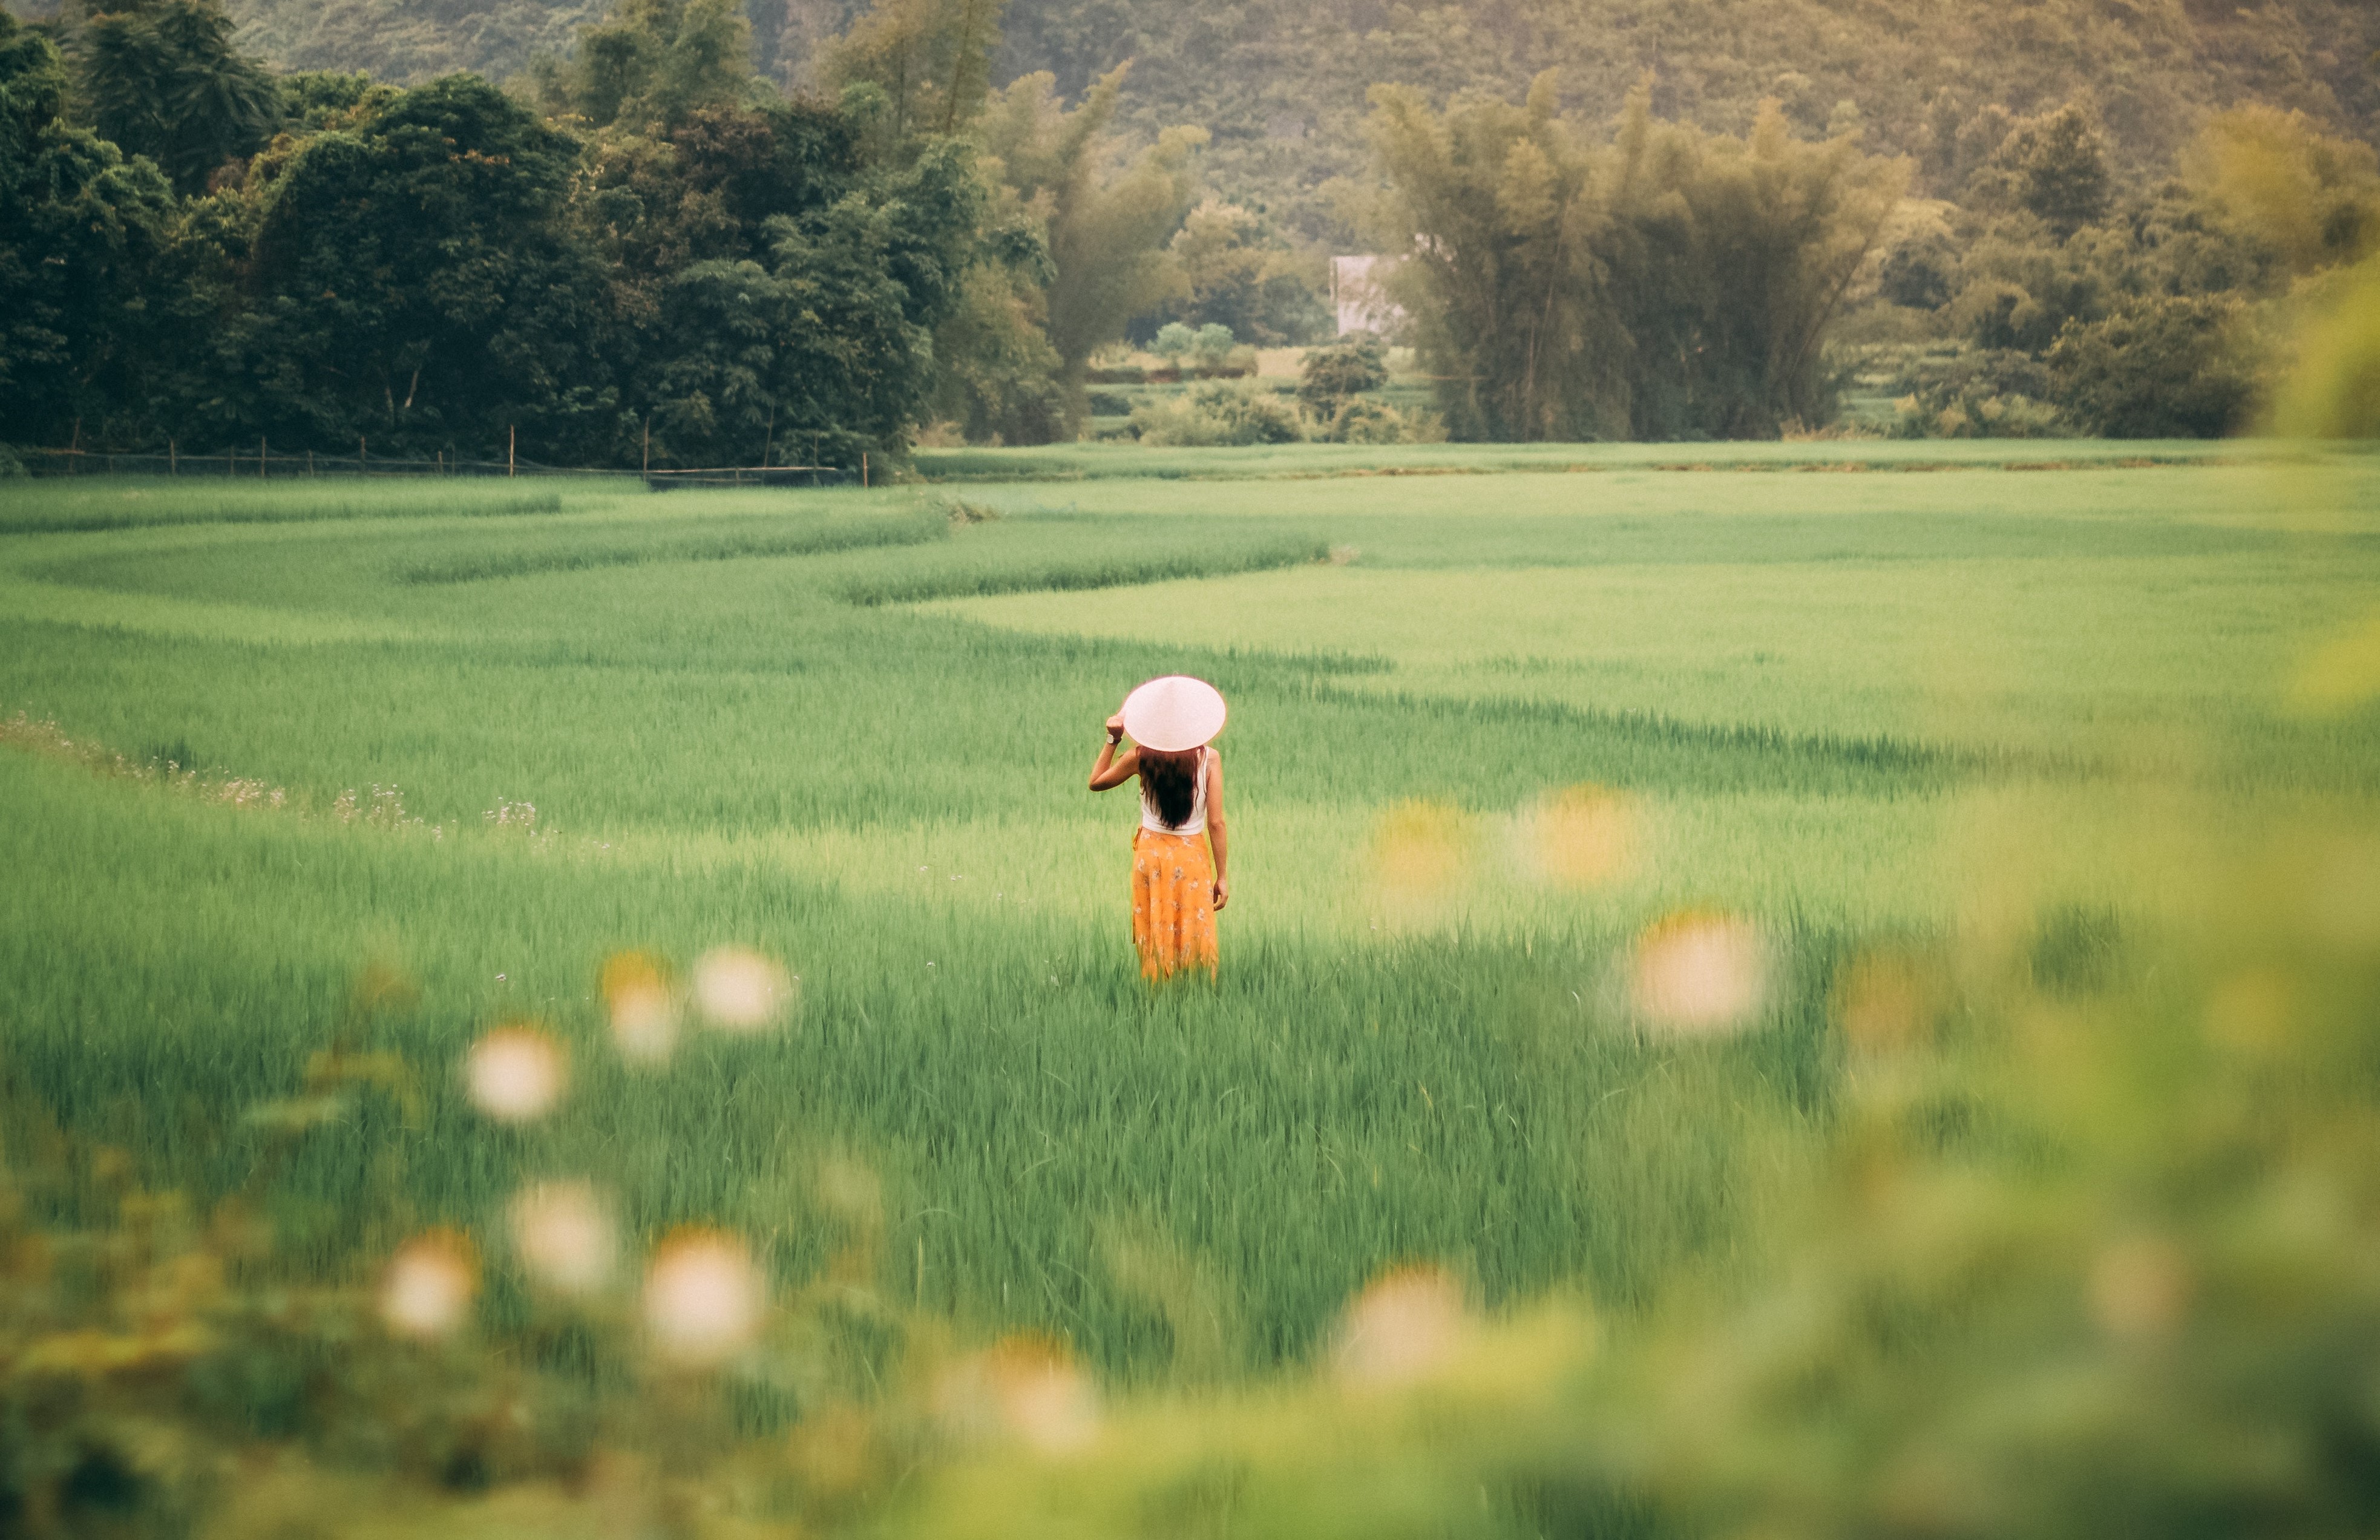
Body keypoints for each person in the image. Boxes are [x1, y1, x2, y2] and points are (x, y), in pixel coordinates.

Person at [1089, 675, 1229, 980]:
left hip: (1150, 856)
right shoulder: (1210, 759)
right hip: (1192, 859)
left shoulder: (1139, 757)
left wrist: (1113, 739)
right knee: (1192, 928)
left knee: (1156, 929)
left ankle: (1156, 992)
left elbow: (1096, 783)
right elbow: (1216, 823)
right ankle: (1194, 992)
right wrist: (1223, 876)